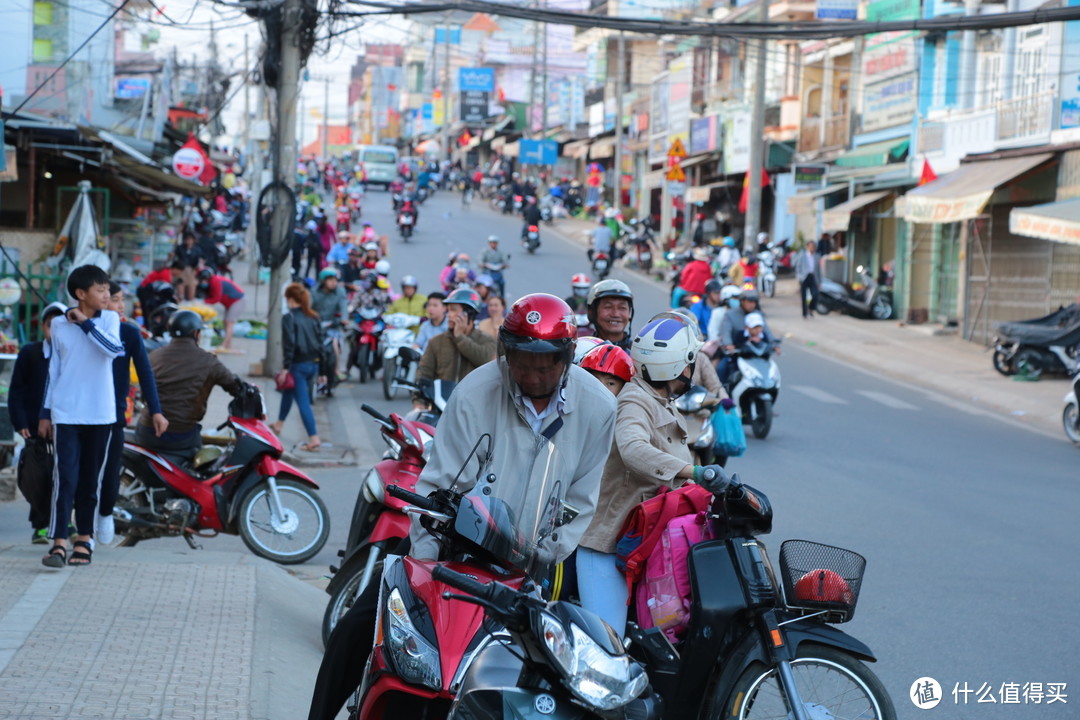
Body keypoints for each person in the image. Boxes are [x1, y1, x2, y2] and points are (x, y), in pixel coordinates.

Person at [309, 294, 616, 720]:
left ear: (565, 357)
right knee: (354, 631)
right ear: (505, 351)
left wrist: (542, 556)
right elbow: (436, 483)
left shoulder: (599, 407)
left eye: (544, 362)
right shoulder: (476, 390)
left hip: (525, 567)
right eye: (520, 359)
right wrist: (424, 572)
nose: (530, 372)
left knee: (548, 682)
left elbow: (582, 500)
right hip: (448, 550)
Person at [577, 313, 728, 633]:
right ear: (678, 367)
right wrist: (692, 472)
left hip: (645, 545)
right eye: (690, 362)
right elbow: (632, 448)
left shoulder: (663, 401)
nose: (692, 371)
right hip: (609, 547)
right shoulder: (635, 400)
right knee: (608, 644)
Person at [38, 265, 126, 568]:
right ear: (81, 293)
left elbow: (113, 350)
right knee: (65, 479)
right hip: (66, 413)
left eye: (107, 290)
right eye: (100, 290)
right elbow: (54, 371)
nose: (107, 295)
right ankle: (59, 542)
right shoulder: (60, 326)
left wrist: (87, 324)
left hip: (101, 414)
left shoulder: (110, 319)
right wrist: (45, 412)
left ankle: (84, 539)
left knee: (91, 481)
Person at [96, 283, 167, 545]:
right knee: (79, 471)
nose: (121, 306)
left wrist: (156, 410)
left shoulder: (129, 332)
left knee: (111, 469)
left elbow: (146, 373)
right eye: (115, 300)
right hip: (83, 413)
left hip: (114, 413)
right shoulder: (82, 331)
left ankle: (104, 515)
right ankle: (79, 528)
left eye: (121, 300)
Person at [137, 310, 247, 457]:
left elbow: (144, 394)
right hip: (181, 435)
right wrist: (245, 389)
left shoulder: (154, 356)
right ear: (196, 333)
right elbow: (233, 384)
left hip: (147, 430)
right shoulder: (208, 361)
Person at [9, 302, 66, 544]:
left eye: (59, 326)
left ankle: (65, 522)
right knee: (39, 475)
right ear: (42, 327)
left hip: (65, 426)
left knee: (64, 475)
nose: (54, 332)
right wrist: (20, 422)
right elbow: (17, 391)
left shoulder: (72, 356)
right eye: (49, 326)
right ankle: (40, 525)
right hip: (35, 427)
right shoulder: (30, 354)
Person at [270, 284, 325, 451]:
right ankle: (279, 424)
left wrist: (286, 368)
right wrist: (322, 371)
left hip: (298, 366)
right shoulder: (314, 317)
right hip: (313, 365)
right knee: (288, 391)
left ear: (292, 300)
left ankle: (314, 438)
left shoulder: (289, 318)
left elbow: (289, 344)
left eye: (287, 299)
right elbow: (321, 344)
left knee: (304, 403)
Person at [418, 288, 496, 382]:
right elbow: (423, 375)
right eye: (448, 311)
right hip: (443, 397)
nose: (449, 315)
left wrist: (460, 337)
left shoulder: (487, 340)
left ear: (469, 314)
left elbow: (485, 360)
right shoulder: (435, 342)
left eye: (454, 310)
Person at [196, 270, 246, 352]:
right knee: (226, 322)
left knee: (229, 322)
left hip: (238, 300)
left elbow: (216, 298)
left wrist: (204, 302)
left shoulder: (215, 281)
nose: (202, 282)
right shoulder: (213, 281)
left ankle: (224, 345)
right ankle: (228, 345)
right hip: (232, 302)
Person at [586, 278, 634, 350]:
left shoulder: (638, 355)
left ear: (629, 312)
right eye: (608, 307)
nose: (615, 314)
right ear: (591, 311)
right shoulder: (581, 352)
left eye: (622, 307)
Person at [171, 231, 204, 301]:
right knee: (180, 294)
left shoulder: (197, 249)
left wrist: (198, 266)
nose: (188, 241)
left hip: (192, 272)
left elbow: (201, 260)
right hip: (181, 271)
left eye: (189, 239)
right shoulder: (180, 248)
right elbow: (173, 256)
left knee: (190, 296)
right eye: (186, 239)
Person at [796, 240, 819, 318]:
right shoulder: (803, 256)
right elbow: (798, 267)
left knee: (815, 294)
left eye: (813, 246)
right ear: (808, 247)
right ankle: (804, 313)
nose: (812, 248)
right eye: (811, 246)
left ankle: (811, 309)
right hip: (804, 277)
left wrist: (820, 281)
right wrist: (799, 277)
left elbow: (819, 270)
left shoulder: (816, 256)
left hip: (813, 277)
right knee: (804, 296)